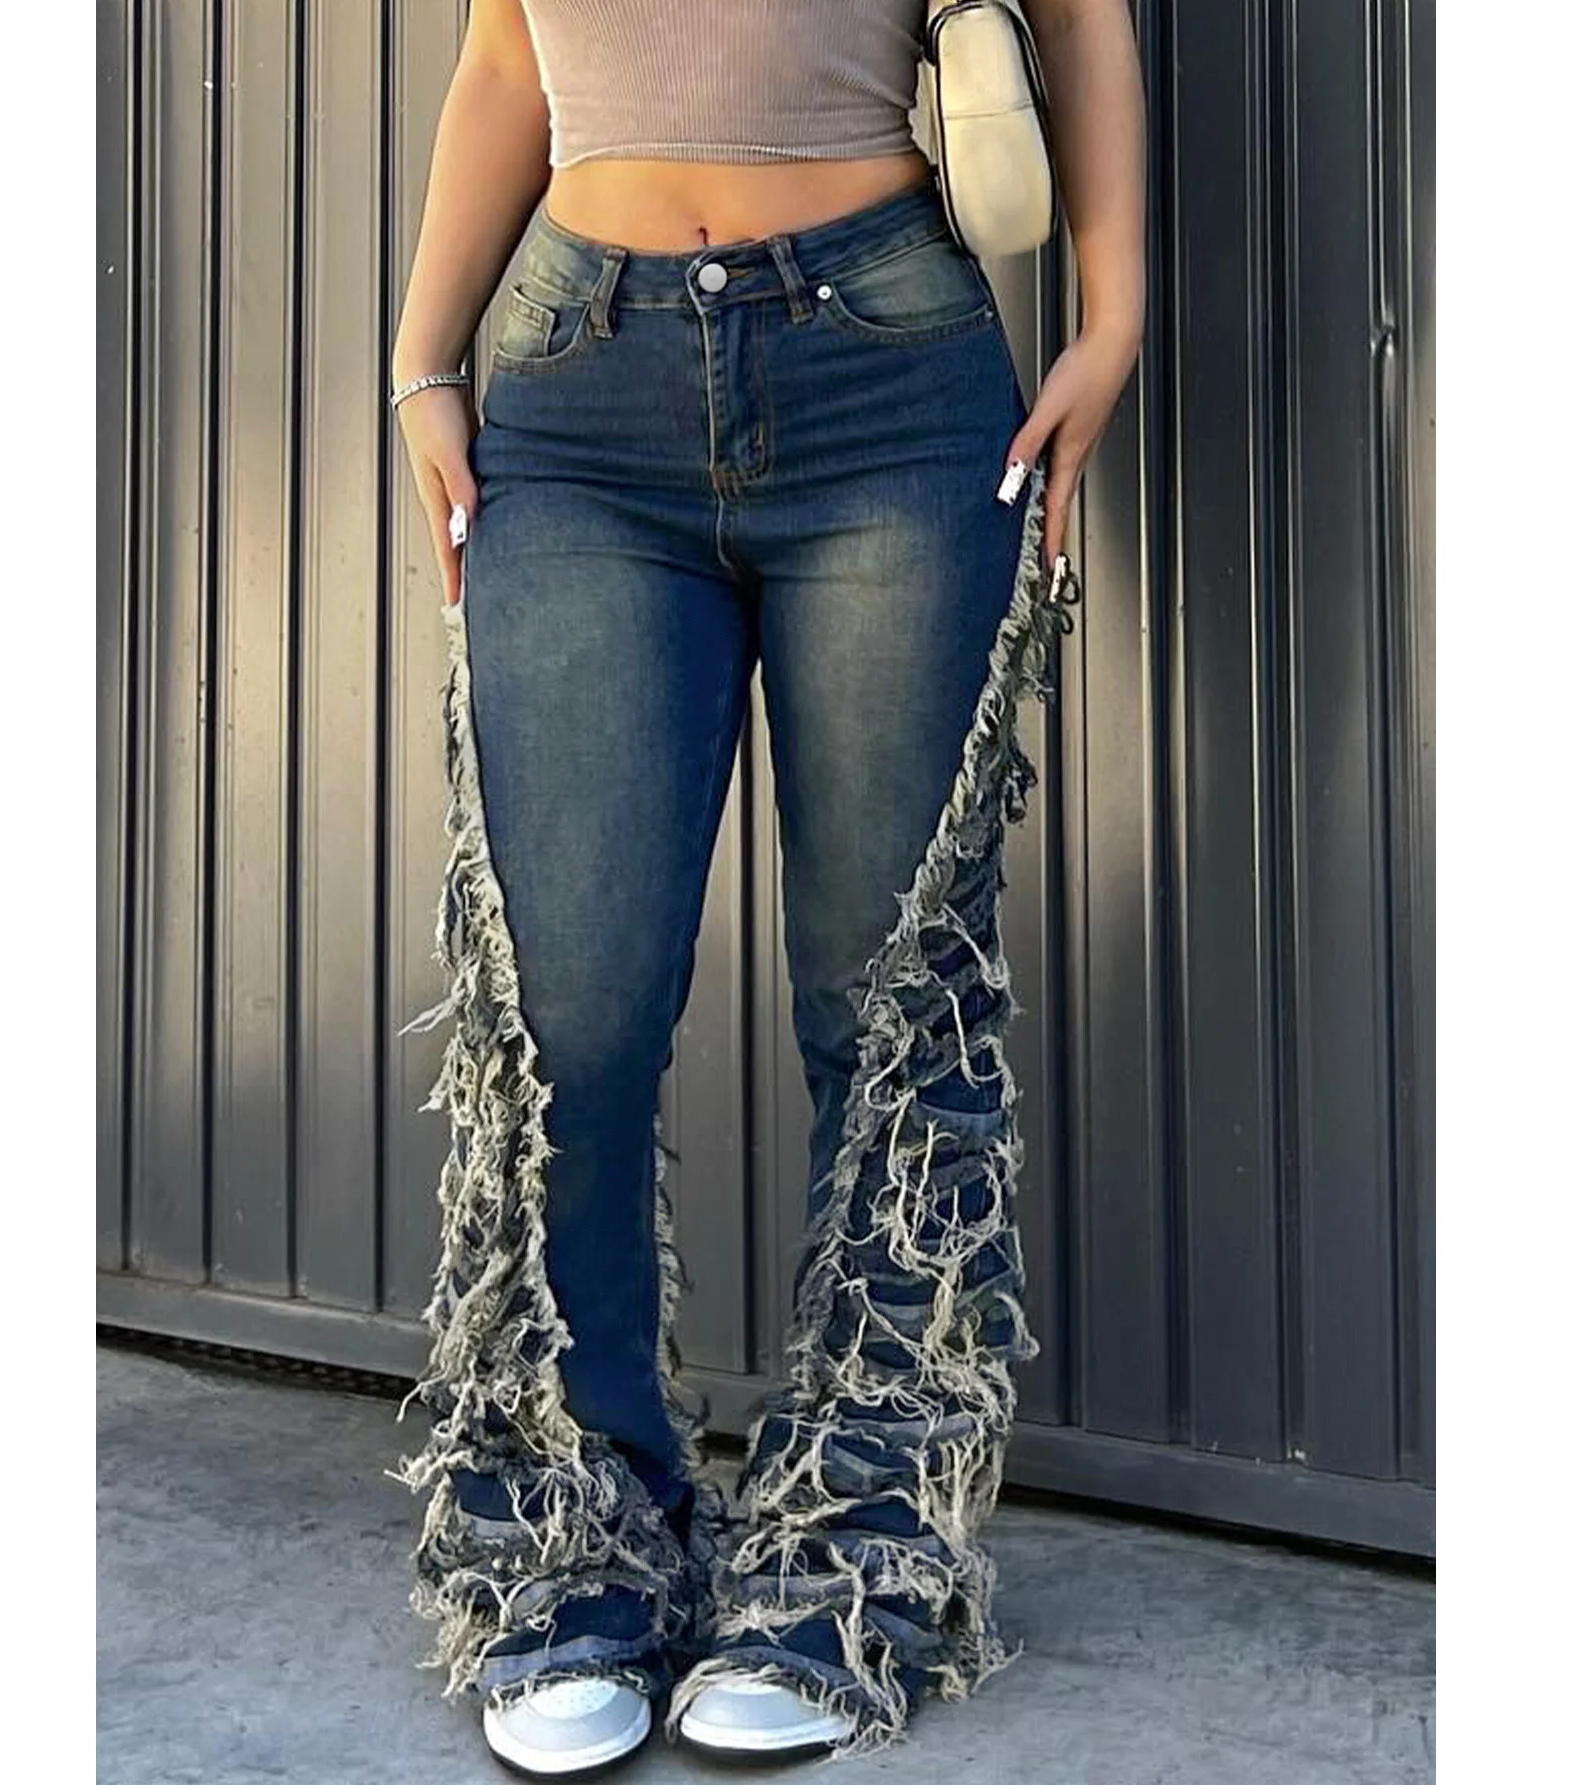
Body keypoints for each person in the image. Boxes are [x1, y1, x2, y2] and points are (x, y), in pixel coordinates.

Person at [386, 1, 1145, 1774]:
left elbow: (1083, 15)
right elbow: (503, 54)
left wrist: (1112, 317)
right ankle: (567, 1547)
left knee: (888, 1016)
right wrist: (422, 355)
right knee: (565, 1020)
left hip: (885, 370)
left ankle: (854, 1562)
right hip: (578, 383)